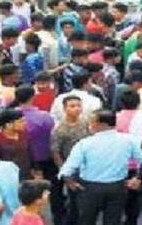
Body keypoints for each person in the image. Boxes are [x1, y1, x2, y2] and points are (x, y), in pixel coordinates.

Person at [58, 109, 142, 225]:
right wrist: (138, 178)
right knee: (113, 221)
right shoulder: (129, 140)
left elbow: (68, 168)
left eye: (92, 121)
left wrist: (70, 182)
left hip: (89, 189)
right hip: (118, 187)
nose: (90, 124)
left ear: (100, 124)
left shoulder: (84, 143)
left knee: (86, 220)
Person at [50, 95, 90, 225]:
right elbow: (55, 153)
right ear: (64, 108)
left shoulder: (85, 123)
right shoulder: (60, 129)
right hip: (71, 169)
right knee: (74, 204)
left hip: (87, 167)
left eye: (79, 105)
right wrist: (66, 175)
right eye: (72, 106)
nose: (76, 109)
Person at [0, 108, 32, 179]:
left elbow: (31, 152)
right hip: (7, 177)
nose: (24, 123)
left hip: (26, 174)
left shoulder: (24, 134)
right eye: (21, 121)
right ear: (8, 125)